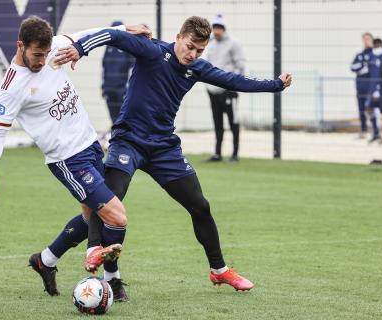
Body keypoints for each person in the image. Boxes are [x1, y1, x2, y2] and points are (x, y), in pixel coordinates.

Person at [64, 16, 292, 293]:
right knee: (109, 201)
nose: (193, 54)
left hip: (163, 149)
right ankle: (95, 253)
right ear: (179, 37)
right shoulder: (152, 51)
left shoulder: (196, 67)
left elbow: (234, 80)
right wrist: (80, 47)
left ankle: (219, 270)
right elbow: (112, 36)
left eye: (199, 50)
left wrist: (275, 84)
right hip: (128, 142)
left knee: (200, 206)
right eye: (190, 46)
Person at [0, 16, 151, 300]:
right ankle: (113, 281)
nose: (42, 60)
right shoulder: (11, 87)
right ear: (20, 45)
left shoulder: (53, 49)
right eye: (36, 55)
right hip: (69, 161)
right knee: (116, 217)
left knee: (90, 219)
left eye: (46, 54)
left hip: (91, 144)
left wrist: (124, 29)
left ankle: (45, 260)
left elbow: (88, 31)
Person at [205, 14, 245, 162]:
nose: (216, 30)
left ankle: (235, 153)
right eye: (214, 27)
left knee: (233, 121)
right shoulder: (211, 44)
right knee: (217, 122)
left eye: (219, 27)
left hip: (229, 91)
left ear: (224, 28)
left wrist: (233, 85)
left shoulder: (233, 44)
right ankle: (218, 153)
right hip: (213, 91)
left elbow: (240, 66)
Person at [102, 20, 135, 124]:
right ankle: (115, 135)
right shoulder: (108, 47)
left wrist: (128, 88)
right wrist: (103, 86)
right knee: (113, 116)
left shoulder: (127, 47)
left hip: (122, 88)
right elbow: (104, 67)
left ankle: (125, 137)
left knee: (123, 115)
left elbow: (132, 68)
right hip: (109, 88)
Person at [350, 32, 375, 138]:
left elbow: (372, 69)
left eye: (368, 39)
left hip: (371, 87)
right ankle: (364, 131)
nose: (366, 41)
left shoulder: (375, 54)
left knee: (372, 109)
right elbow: (352, 67)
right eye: (364, 39)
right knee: (361, 110)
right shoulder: (359, 55)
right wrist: (362, 66)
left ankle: (375, 131)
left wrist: (363, 68)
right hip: (360, 87)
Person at [366, 38, 382, 142]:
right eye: (375, 44)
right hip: (372, 87)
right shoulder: (371, 56)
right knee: (370, 109)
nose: (377, 46)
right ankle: (376, 132)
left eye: (378, 44)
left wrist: (379, 88)